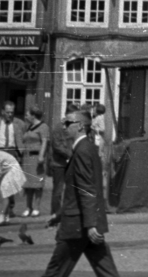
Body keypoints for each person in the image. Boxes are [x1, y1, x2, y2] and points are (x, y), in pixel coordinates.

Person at [40, 106, 120, 277]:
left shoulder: (82, 150)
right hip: (84, 221)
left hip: (77, 226)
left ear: (80, 126)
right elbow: (77, 191)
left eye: (68, 123)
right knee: (107, 271)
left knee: (55, 271)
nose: (64, 127)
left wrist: (90, 224)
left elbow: (87, 189)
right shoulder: (87, 148)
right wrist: (60, 214)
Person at [47, 103, 81, 224]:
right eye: (73, 116)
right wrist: (70, 154)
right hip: (59, 163)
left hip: (71, 162)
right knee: (58, 191)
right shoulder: (58, 127)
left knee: (71, 189)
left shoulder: (75, 127)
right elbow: (57, 146)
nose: (75, 119)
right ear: (66, 115)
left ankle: (69, 215)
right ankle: (55, 215)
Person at [20, 106, 48, 217]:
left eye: (27, 114)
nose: (26, 116)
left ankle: (36, 208)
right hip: (27, 158)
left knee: (37, 185)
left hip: (36, 158)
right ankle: (28, 207)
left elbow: (45, 141)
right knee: (28, 185)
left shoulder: (43, 126)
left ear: (33, 115)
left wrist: (41, 156)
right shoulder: (29, 127)